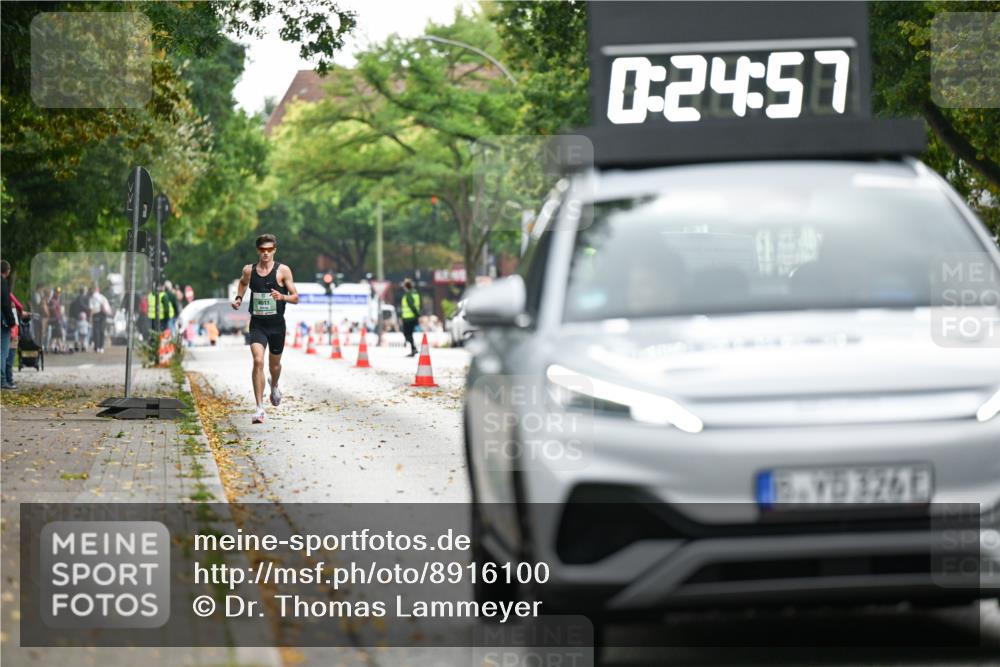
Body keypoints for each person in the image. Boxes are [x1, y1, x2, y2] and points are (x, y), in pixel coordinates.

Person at [231, 233, 299, 424]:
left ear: (274, 250)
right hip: (257, 324)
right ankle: (259, 408)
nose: (266, 253)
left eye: (269, 250)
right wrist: (238, 298)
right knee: (258, 361)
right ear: (258, 251)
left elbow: (295, 297)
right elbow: (243, 284)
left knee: (274, 365)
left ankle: (274, 384)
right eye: (262, 250)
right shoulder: (249, 270)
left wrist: (282, 297)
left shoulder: (283, 271)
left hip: (277, 325)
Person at [1, 261, 16, 389]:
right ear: (7, 270)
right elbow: (6, 304)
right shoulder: (3, 283)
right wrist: (12, 321)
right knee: (2, 351)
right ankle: (2, 380)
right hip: (2, 321)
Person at [400, 278, 422, 357]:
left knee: (407, 334)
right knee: (409, 334)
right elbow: (420, 305)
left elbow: (411, 306)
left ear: (406, 286)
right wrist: (418, 315)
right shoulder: (416, 294)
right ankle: (413, 349)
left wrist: (416, 314)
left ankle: (414, 348)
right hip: (412, 318)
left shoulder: (408, 295)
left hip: (408, 318)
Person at [89, 285, 111, 353]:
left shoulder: (92, 297)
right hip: (103, 314)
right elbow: (107, 308)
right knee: (102, 330)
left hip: (96, 314)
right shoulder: (103, 297)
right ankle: (101, 347)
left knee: (96, 331)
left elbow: (91, 307)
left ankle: (97, 347)